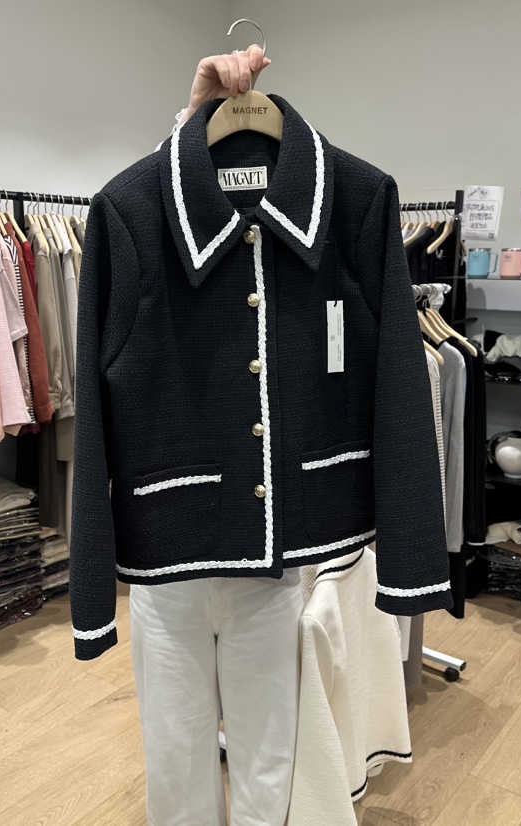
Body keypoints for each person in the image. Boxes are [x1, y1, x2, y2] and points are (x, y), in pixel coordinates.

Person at [131, 44, 302, 826]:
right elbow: (157, 205)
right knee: (177, 757)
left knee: (270, 756)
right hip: (170, 550)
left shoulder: (328, 214)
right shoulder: (135, 217)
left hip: (272, 554)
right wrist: (193, 119)